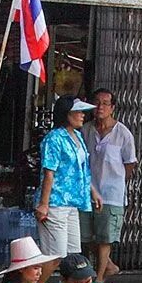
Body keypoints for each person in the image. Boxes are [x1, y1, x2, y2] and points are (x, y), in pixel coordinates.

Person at [36, 98, 96, 263]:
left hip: (72, 203)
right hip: (55, 203)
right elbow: (49, 173)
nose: (82, 115)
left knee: (73, 255)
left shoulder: (77, 136)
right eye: (78, 112)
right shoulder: (54, 138)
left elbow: (80, 170)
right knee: (55, 257)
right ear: (66, 114)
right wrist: (44, 204)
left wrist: (93, 191)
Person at [87, 89, 138, 279]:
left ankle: (99, 278)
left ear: (112, 108)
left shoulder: (123, 134)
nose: (100, 107)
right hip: (89, 191)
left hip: (111, 193)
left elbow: (130, 163)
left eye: (105, 103)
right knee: (87, 235)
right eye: (97, 102)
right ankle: (107, 266)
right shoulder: (87, 130)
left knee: (105, 238)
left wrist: (117, 183)